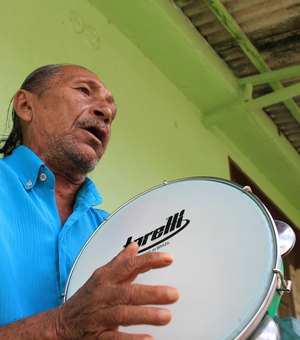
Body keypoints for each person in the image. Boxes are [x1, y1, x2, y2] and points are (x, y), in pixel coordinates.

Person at [0, 64, 179, 338]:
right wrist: (61, 326)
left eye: (112, 112)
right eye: (84, 90)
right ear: (26, 106)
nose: (105, 113)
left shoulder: (115, 233)